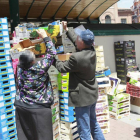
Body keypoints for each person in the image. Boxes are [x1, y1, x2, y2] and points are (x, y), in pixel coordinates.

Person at [55, 22, 105, 140]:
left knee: (84, 130)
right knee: (94, 124)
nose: (76, 39)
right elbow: (78, 43)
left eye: (78, 38)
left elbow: (61, 68)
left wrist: (52, 56)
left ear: (82, 42)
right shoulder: (92, 51)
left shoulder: (76, 58)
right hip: (92, 95)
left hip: (82, 98)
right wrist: (67, 30)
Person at [14, 29, 56, 140]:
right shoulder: (39, 68)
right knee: (43, 136)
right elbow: (52, 53)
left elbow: (19, 53)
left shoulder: (20, 68)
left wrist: (25, 42)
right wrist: (45, 37)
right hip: (39, 109)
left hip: (22, 107)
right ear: (33, 61)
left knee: (26, 136)